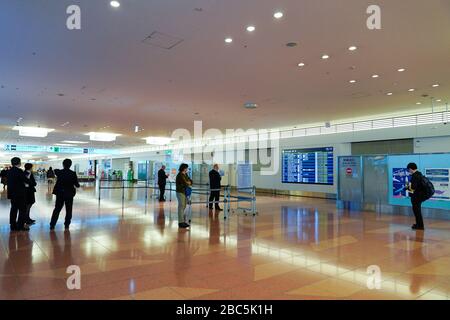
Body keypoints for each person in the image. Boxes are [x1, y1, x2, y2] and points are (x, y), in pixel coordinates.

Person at [50, 159, 80, 231]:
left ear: (63, 164)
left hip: (60, 193)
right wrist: (78, 185)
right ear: (70, 165)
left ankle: (52, 225)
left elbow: (55, 170)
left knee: (57, 209)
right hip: (69, 194)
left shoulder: (59, 172)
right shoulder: (73, 173)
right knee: (69, 210)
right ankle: (67, 225)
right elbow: (76, 184)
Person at [7, 157, 30, 231]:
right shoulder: (19, 171)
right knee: (22, 210)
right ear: (18, 163)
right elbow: (25, 180)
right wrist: (32, 183)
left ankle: (13, 225)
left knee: (13, 209)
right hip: (20, 194)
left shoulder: (9, 171)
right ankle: (20, 226)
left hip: (12, 194)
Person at [406, 162, 425, 230]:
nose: (408, 171)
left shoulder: (415, 176)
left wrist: (407, 186)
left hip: (416, 196)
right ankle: (419, 224)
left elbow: (413, 187)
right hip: (419, 196)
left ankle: (420, 226)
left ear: (411, 169)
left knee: (417, 211)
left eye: (408, 170)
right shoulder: (419, 174)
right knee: (417, 211)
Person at [176, 163, 192, 229]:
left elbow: (191, 181)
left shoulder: (185, 174)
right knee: (181, 206)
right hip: (180, 192)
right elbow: (185, 183)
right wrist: (188, 182)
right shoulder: (180, 175)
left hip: (185, 192)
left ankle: (182, 221)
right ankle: (181, 222)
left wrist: (189, 182)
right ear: (183, 168)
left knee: (184, 205)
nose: (187, 169)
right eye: (186, 168)